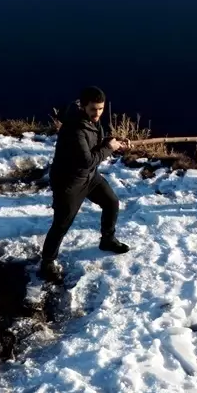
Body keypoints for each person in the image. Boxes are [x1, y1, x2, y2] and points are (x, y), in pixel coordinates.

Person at [40, 86, 130, 280]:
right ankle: (47, 261)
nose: (97, 113)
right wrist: (109, 148)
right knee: (62, 224)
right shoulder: (74, 128)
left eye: (100, 109)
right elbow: (87, 160)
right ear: (83, 106)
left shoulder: (91, 120)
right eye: (93, 109)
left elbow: (96, 144)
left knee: (111, 203)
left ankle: (107, 240)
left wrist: (114, 142)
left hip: (88, 177)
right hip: (69, 183)